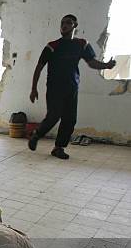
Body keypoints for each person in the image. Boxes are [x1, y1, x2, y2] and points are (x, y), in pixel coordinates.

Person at [29, 14, 116, 159]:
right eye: (62, 23)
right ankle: (36, 135)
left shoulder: (82, 44)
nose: (64, 25)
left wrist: (106, 65)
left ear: (75, 25)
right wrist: (33, 88)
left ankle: (58, 148)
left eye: (68, 23)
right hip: (54, 88)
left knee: (70, 119)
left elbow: (92, 62)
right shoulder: (52, 46)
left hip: (72, 88)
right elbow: (39, 67)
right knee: (54, 116)